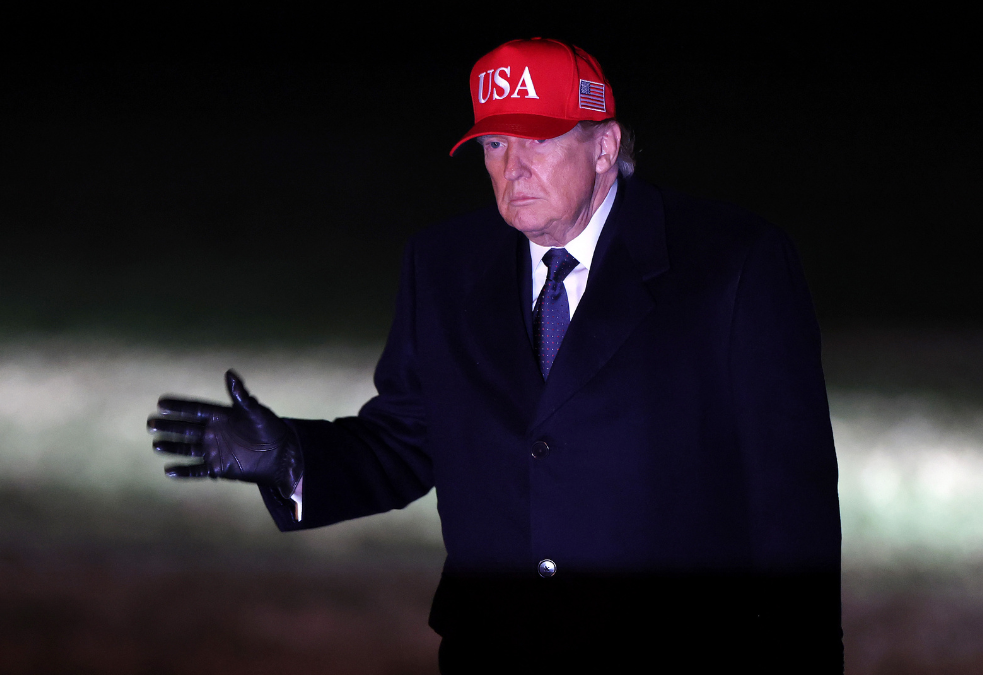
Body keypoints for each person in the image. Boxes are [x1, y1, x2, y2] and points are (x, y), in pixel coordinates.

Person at [149, 38, 842, 672]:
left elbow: (791, 501)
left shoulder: (732, 265)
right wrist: (291, 457)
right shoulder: (444, 266)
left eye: (537, 141)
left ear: (605, 145)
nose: (513, 169)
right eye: (494, 145)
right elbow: (408, 440)